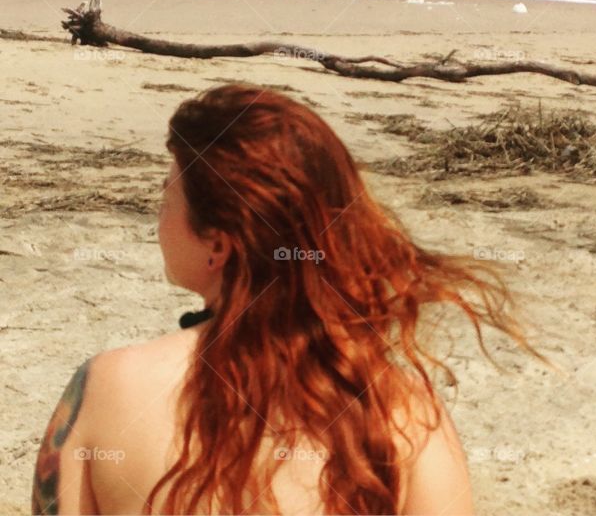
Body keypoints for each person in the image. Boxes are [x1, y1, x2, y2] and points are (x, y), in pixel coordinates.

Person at [32, 83, 545, 515]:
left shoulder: (107, 387)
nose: (158, 218)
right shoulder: (402, 411)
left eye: (167, 196)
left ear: (218, 243)